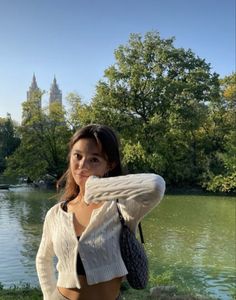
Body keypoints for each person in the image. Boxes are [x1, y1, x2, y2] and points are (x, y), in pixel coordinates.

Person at [36, 124, 165, 300]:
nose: (82, 165)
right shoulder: (56, 214)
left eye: (94, 159)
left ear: (110, 165)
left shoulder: (123, 208)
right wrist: (48, 297)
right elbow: (43, 259)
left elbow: (155, 185)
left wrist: (96, 187)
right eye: (77, 156)